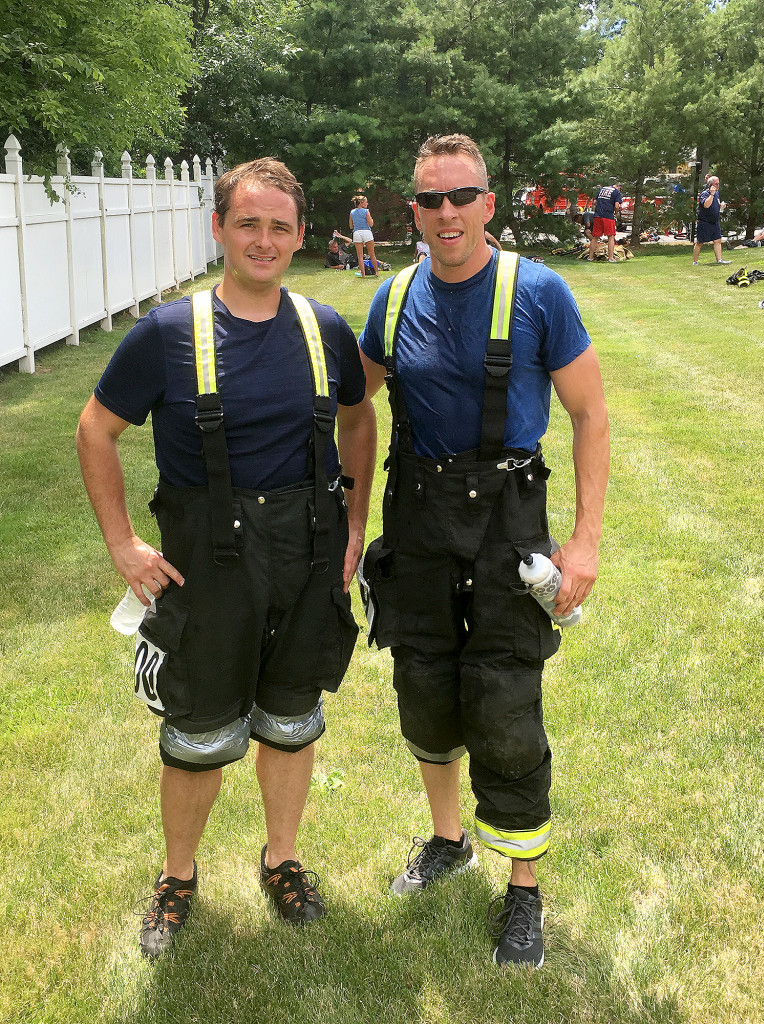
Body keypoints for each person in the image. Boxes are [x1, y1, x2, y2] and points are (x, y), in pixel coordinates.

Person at [76, 157, 376, 959]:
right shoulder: (167, 334)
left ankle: (281, 859)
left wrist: (355, 521)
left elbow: (358, 419)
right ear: (218, 228)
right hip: (207, 563)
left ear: (302, 235)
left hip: (308, 557)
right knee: (199, 729)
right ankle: (178, 876)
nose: (264, 239)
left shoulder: (324, 328)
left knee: (289, 718)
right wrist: (122, 543)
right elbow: (95, 430)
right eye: (248, 222)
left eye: (280, 225)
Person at [358, 134, 609, 969]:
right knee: (425, 687)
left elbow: (590, 417)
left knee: (504, 705)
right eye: (430, 201)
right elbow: (353, 407)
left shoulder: (538, 292)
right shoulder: (392, 298)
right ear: (414, 210)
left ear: (489, 203)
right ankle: (448, 840)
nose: (446, 214)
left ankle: (525, 891)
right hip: (420, 520)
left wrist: (584, 542)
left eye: (461, 197)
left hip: (507, 524)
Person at [692, 175, 731, 266]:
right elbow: (706, 205)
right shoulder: (705, 194)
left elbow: (715, 206)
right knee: (700, 242)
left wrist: (721, 207)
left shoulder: (717, 193)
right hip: (704, 222)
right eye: (716, 184)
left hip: (714, 222)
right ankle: (695, 261)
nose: (718, 185)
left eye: (718, 184)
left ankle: (719, 260)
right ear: (710, 185)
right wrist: (712, 194)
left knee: (717, 240)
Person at [588, 182, 622, 262]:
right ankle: (611, 258)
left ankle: (590, 257)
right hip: (608, 216)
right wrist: (616, 213)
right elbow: (617, 206)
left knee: (595, 237)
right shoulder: (617, 192)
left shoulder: (602, 189)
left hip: (598, 216)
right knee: (611, 236)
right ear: (619, 187)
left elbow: (594, 202)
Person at [349, 195, 379, 277]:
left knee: (360, 256)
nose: (367, 203)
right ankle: (376, 272)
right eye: (366, 202)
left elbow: (351, 226)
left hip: (357, 233)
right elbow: (371, 224)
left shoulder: (352, 212)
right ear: (361, 203)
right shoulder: (366, 211)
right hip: (366, 232)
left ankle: (363, 274)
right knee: (372, 254)